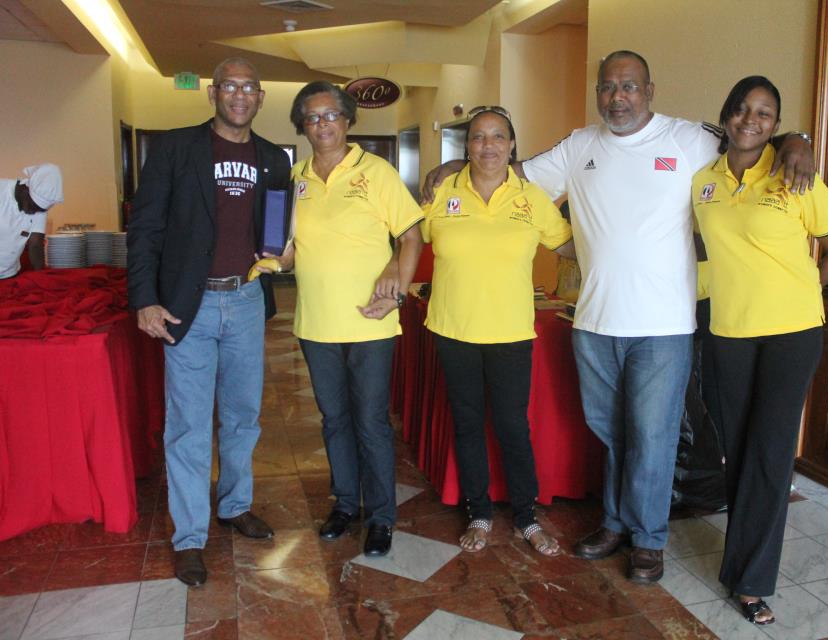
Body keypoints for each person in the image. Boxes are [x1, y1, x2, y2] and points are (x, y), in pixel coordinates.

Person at [423, 50, 815, 584]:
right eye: (608, 87)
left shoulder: (689, 139)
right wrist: (455, 164)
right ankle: (613, 523)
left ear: (649, 90)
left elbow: (751, 137)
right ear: (598, 94)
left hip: (663, 325)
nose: (618, 97)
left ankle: (648, 540)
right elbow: (508, 169)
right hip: (594, 323)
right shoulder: (578, 146)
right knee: (611, 433)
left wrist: (798, 140)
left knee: (652, 437)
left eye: (629, 86)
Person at [692, 76, 828, 625]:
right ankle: (740, 564)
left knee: (769, 452)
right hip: (728, 332)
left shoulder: (796, 174)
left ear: (775, 125)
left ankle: (752, 581)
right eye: (742, 109)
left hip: (791, 335)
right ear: (726, 115)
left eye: (764, 113)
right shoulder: (703, 181)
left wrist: (806, 291)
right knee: (737, 452)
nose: (750, 119)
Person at [127, 57, 291, 586]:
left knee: (243, 416)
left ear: (260, 97)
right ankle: (190, 537)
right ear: (213, 93)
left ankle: (235, 505)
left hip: (246, 301)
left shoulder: (274, 159)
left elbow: (279, 229)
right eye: (230, 86)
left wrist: (283, 252)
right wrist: (144, 298)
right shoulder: (175, 149)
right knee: (189, 426)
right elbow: (146, 229)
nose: (240, 95)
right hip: (186, 306)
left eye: (249, 88)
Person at [422, 106, 575, 555]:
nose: (488, 145)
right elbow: (410, 237)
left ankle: (526, 516)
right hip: (454, 329)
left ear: (512, 146)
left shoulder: (532, 198)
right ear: (467, 146)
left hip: (510, 334)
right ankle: (479, 512)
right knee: (468, 424)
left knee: (512, 426)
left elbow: (568, 244)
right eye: (478, 137)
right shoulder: (442, 190)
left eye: (497, 136)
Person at [280, 81, 423, 557]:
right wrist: (272, 256)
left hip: (370, 321)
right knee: (334, 419)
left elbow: (411, 236)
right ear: (302, 125)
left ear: (347, 120)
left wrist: (396, 285)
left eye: (331, 115)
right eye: (312, 117)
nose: (322, 124)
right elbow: (288, 248)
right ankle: (345, 503)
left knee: (370, 421)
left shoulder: (376, 172)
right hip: (316, 322)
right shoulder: (296, 178)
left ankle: (381, 516)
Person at [0, 164, 62, 278]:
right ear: (26, 189)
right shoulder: (2, 190)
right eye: (33, 207)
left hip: (10, 274)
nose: (35, 212)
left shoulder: (37, 207)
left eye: (40, 210)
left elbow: (35, 244)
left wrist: (40, 278)